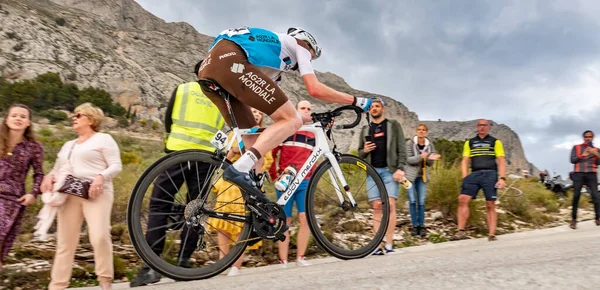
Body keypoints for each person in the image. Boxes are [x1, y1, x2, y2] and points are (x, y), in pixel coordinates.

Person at [198, 26, 372, 200]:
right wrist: (356, 101)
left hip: (208, 70)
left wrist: (315, 118)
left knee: (253, 138)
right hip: (231, 62)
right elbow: (314, 89)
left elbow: (280, 112)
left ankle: (255, 203)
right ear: (308, 44)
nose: (305, 64)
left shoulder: (273, 66)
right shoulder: (300, 45)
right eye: (310, 58)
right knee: (290, 121)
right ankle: (239, 169)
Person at [130, 61, 226, 287]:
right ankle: (183, 261)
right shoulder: (223, 97)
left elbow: (168, 121)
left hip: (177, 154)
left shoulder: (183, 89)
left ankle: (152, 266)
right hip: (206, 158)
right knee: (196, 209)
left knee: (159, 205)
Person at [42, 103, 122, 290]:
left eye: (78, 115)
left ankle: (105, 282)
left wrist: (101, 177)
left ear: (91, 119)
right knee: (65, 242)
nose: (73, 118)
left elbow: (116, 165)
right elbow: (57, 169)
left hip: (97, 193)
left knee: (100, 237)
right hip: (70, 193)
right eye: (73, 115)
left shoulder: (104, 139)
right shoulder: (68, 145)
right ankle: (57, 285)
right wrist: (49, 176)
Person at [211, 107, 273, 277]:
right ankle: (223, 262)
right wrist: (235, 150)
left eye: (259, 112)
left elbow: (266, 162)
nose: (256, 113)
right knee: (221, 225)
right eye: (252, 111)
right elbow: (226, 159)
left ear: (261, 118)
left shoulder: (264, 138)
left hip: (247, 184)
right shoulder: (235, 134)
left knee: (241, 226)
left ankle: (236, 265)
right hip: (228, 185)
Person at [357, 97, 407, 254]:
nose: (374, 109)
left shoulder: (393, 126)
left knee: (390, 206)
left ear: (383, 109)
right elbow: (360, 154)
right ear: (369, 110)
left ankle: (389, 244)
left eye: (377, 106)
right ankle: (377, 246)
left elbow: (402, 148)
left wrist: (400, 168)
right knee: (377, 207)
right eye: (372, 107)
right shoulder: (365, 130)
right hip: (372, 172)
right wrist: (365, 149)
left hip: (390, 171)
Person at [269, 100, 314, 267]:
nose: (306, 110)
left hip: (306, 182)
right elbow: (272, 153)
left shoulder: (313, 134)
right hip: (285, 181)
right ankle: (283, 260)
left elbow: (314, 159)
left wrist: (312, 177)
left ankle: (301, 257)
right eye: (303, 108)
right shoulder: (287, 130)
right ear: (296, 110)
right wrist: (274, 176)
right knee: (284, 221)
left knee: (305, 219)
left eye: (309, 109)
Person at [0, 104, 44, 270]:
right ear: (7, 119)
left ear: (28, 123)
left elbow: (39, 173)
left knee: (3, 242)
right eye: (14, 115)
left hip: (12, 200)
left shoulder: (33, 147)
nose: (18, 119)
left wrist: (33, 193)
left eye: (23, 116)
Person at [456, 119, 506, 242]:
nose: (482, 127)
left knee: (490, 204)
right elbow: (465, 160)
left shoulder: (495, 142)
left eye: (484, 125)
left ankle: (491, 234)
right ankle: (460, 231)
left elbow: (501, 160)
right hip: (474, 174)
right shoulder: (470, 142)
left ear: (488, 127)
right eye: (480, 125)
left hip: (490, 174)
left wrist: (502, 178)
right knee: (463, 199)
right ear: (476, 127)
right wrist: (465, 177)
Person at [405, 124, 440, 237]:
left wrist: (430, 159)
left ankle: (422, 226)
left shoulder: (430, 145)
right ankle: (414, 226)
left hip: (423, 176)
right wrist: (421, 157)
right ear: (416, 132)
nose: (421, 132)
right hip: (410, 177)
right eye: (419, 130)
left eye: (423, 130)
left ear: (426, 132)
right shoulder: (409, 144)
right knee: (412, 200)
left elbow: (430, 163)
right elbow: (408, 159)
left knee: (421, 201)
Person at [569, 130, 600, 229]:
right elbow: (572, 160)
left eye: (590, 137)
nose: (588, 138)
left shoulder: (596, 149)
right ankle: (573, 220)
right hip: (579, 173)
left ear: (592, 138)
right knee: (576, 196)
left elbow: (599, 162)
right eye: (586, 136)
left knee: (596, 196)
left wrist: (596, 154)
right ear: (583, 138)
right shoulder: (576, 147)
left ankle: (597, 217)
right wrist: (583, 154)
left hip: (592, 173)